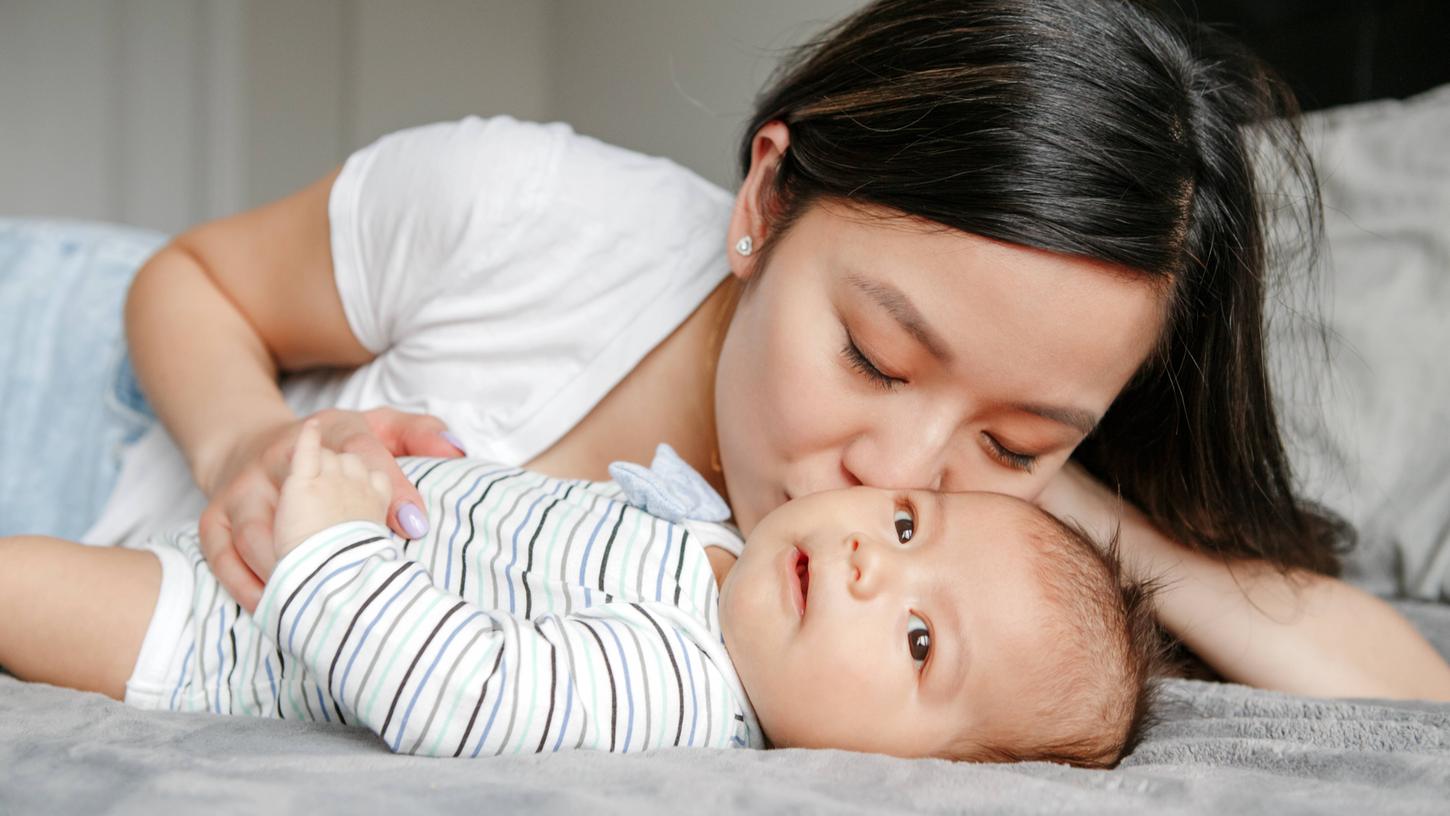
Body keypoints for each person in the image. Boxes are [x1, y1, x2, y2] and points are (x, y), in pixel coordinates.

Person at [3, 0, 1449, 703]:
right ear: (765, 197)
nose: (891, 464)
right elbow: (193, 279)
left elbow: (1405, 701)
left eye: (1019, 432)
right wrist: (243, 443)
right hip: (61, 369)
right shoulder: (524, 209)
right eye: (877, 358)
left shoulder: (947, 541)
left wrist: (1041, 489)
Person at [0, 424, 1161, 767]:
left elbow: (466, 692)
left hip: (224, 634)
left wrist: (332, 546)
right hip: (282, 545)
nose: (873, 560)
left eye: (917, 639)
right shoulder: (732, 563)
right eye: (909, 525)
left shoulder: (682, 692)